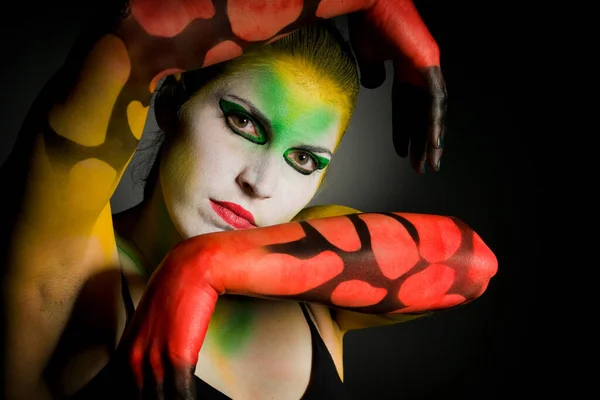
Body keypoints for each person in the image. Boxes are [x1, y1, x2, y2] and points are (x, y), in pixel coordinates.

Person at [0, 1, 496, 399]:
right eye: (244, 123)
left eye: (303, 160)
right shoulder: (66, 258)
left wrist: (205, 266)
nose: (261, 183)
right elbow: (137, 35)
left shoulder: (308, 264)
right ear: (172, 102)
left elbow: (471, 264)